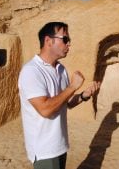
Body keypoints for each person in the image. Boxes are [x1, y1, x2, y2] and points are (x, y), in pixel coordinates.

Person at [18, 22, 100, 169]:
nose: (69, 44)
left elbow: (65, 102)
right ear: (48, 41)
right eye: (65, 39)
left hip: (60, 145)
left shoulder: (61, 69)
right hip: (44, 151)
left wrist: (83, 95)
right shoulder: (31, 71)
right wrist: (72, 86)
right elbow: (45, 109)